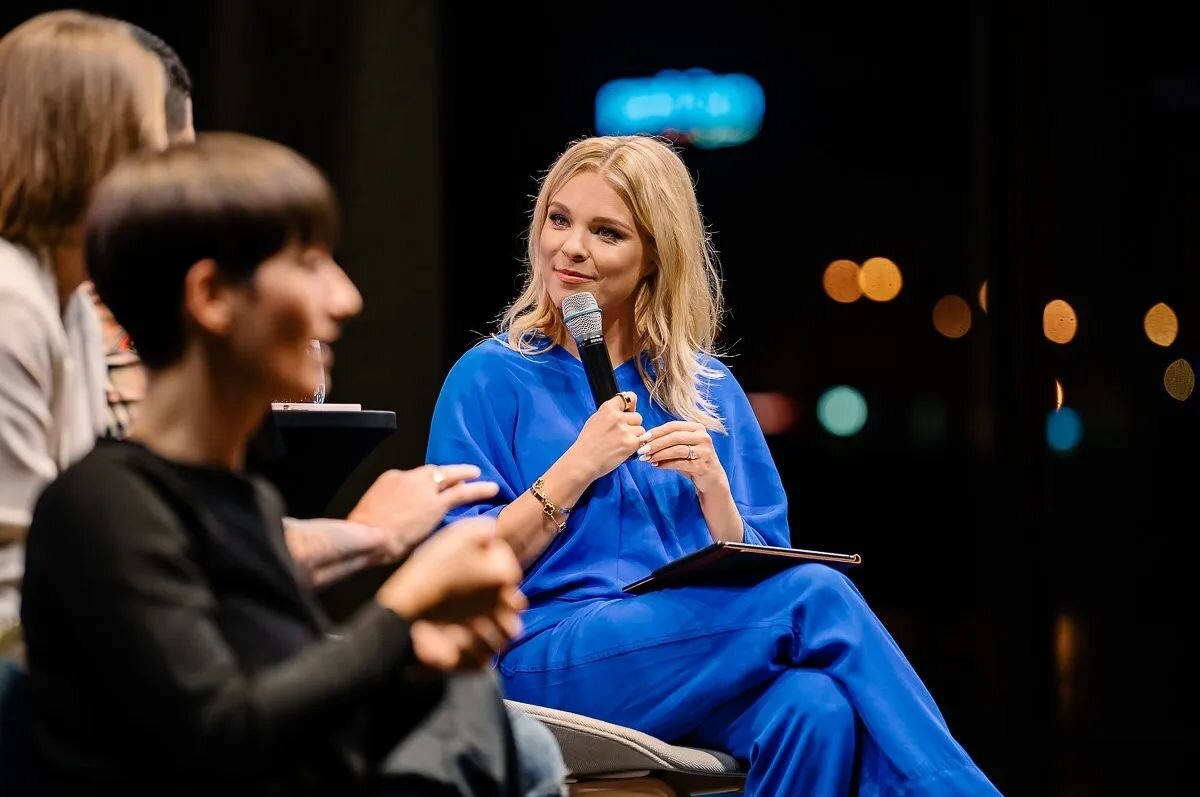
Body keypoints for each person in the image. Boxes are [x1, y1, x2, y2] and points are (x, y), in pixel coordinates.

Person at [426, 135, 1002, 796]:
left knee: (816, 707)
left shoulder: (706, 390)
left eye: (606, 231)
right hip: (540, 658)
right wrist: (574, 468)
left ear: (652, 258)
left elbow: (763, 574)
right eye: (559, 219)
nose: (571, 247)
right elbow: (455, 576)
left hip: (684, 655)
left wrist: (715, 494)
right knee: (818, 595)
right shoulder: (490, 377)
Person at [22, 131, 529, 796]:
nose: (346, 298)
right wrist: (402, 609)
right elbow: (219, 741)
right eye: (310, 262)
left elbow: (310, 750)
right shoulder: (102, 506)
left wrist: (415, 665)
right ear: (211, 296)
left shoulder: (247, 500)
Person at [0, 9, 168, 647]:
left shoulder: (66, 299)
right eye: (153, 142)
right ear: (95, 148)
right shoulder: (10, 304)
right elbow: (15, 578)